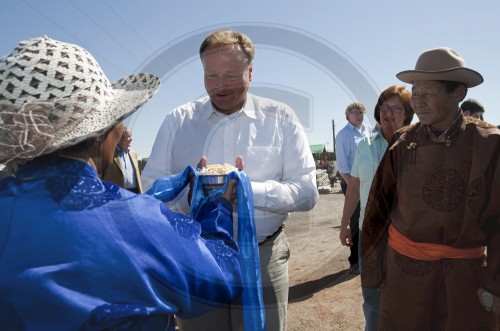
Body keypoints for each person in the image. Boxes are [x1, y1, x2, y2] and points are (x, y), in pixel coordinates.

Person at [0, 36, 244, 330]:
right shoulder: (136, 222)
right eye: (117, 119)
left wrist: (153, 198)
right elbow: (220, 277)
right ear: (103, 131)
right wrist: (214, 205)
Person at [141, 29, 318, 331]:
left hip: (263, 258)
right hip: (197, 259)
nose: (220, 86)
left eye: (231, 75)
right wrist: (191, 193)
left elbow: (306, 191)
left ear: (250, 70)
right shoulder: (177, 121)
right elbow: (150, 190)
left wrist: (247, 191)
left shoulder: (282, 118)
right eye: (211, 75)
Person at [361, 47, 500, 330]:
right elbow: (378, 210)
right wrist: (374, 271)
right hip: (404, 278)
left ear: (457, 93)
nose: (418, 102)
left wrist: (493, 282)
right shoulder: (402, 142)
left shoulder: (488, 144)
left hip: (465, 281)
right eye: (415, 92)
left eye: (429, 93)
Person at [339, 85, 414, 330]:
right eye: (383, 107)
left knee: (407, 298)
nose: (387, 113)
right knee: (372, 300)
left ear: (408, 113)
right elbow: (354, 187)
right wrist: (345, 224)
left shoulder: (417, 145)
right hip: (370, 236)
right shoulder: (366, 145)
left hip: (407, 236)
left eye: (395, 108)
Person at [335, 101, 370, 265]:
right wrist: (354, 187)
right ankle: (355, 258)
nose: (359, 115)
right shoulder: (343, 135)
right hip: (352, 182)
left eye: (361, 112)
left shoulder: (367, 132)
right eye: (355, 112)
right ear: (347, 116)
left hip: (368, 182)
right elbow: (343, 167)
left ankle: (368, 253)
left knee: (369, 217)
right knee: (355, 219)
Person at [102, 126, 143, 193]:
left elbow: (137, 175)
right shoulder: (109, 153)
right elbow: (101, 176)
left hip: (134, 192)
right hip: (116, 193)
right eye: (129, 136)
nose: (131, 139)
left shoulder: (133, 154)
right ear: (120, 138)